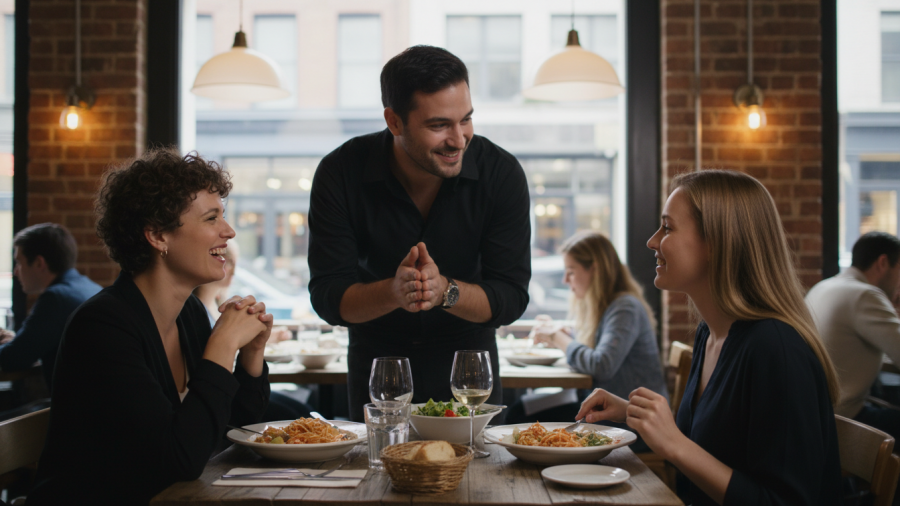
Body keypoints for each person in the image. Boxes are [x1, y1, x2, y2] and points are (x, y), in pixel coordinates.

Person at [576, 170, 843, 506]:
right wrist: (634, 413)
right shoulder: (711, 333)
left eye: (667, 228)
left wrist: (674, 443)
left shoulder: (776, 349)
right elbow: (716, 444)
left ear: (716, 244)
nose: (652, 241)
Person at [28, 149, 273, 506]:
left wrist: (251, 354)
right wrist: (222, 344)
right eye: (211, 218)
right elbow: (179, 459)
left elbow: (228, 428)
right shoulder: (102, 326)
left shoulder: (189, 312)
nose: (229, 231)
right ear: (158, 235)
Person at [308, 45, 531, 422]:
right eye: (439, 125)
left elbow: (510, 297)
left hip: (469, 372)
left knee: (478, 464)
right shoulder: (341, 172)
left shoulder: (500, 173)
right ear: (394, 122)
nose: (459, 139)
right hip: (379, 368)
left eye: (466, 119)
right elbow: (328, 297)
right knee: (379, 463)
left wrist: (444, 291)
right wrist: (394, 292)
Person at [505, 232, 667, 453]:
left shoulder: (625, 307)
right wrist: (565, 337)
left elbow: (601, 365)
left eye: (571, 272)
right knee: (520, 409)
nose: (565, 280)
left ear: (595, 269)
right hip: (601, 409)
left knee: (518, 415)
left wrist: (557, 337)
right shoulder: (608, 307)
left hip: (630, 423)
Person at [192, 240, 311, 422]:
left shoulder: (217, 306)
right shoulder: (194, 313)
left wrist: (256, 346)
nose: (232, 270)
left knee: (303, 410)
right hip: (221, 397)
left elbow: (244, 414)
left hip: (229, 394)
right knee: (298, 414)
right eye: (224, 259)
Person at [806, 231, 900, 438]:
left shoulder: (824, 286)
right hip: (841, 419)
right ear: (883, 263)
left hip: (812, 415)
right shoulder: (865, 295)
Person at [0, 223, 101, 390]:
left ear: (39, 263)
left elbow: (12, 359)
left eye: (19, 262)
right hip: (100, 400)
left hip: (76, 405)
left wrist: (9, 346)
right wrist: (15, 344)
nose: (16, 271)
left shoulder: (56, 299)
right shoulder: (88, 286)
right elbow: (29, 346)